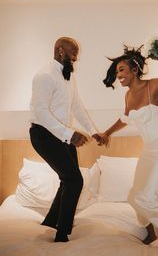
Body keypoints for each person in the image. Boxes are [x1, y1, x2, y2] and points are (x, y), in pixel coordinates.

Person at [102, 45, 158, 249]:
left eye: (122, 70)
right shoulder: (127, 96)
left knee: (150, 199)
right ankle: (157, 234)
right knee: (135, 196)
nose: (118, 76)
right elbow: (125, 118)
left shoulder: (154, 86)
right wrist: (107, 133)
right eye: (117, 72)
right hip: (151, 150)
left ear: (135, 69)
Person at [29, 37, 102, 242]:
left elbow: (77, 106)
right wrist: (70, 134)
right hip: (43, 135)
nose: (76, 57)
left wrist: (92, 131)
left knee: (67, 180)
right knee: (74, 180)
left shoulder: (68, 76)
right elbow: (41, 113)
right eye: (73, 53)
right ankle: (62, 233)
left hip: (61, 135)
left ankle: (51, 222)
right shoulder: (44, 76)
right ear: (60, 51)